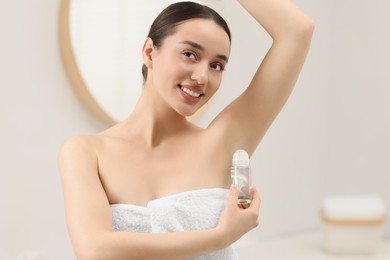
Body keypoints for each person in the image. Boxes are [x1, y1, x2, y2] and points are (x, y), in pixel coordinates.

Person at [58, 0, 314, 259]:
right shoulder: (86, 151)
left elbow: (297, 30)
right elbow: (94, 251)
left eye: (217, 65)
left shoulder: (222, 142)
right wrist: (220, 237)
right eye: (190, 54)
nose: (202, 76)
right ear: (149, 52)